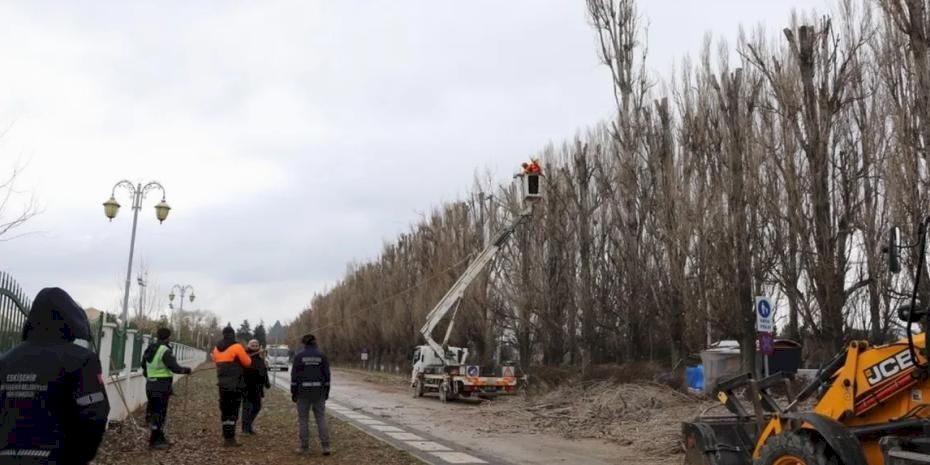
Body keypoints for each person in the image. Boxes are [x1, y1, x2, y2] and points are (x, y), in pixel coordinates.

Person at [0, 287, 110, 465]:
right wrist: (79, 457)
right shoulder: (81, 360)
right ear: (69, 321)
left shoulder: (5, 361)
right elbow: (94, 415)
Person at [141, 327, 193, 449]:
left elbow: (143, 365)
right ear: (168, 337)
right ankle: (155, 442)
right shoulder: (164, 350)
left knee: (155, 413)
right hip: (161, 386)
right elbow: (174, 367)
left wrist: (150, 376)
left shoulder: (149, 348)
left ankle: (160, 437)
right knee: (159, 414)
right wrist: (187, 370)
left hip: (150, 385)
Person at [291, 333, 331, 456]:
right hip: (319, 392)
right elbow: (327, 376)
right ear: (315, 342)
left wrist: (294, 392)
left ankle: (304, 447)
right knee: (321, 418)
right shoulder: (322, 356)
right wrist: (326, 392)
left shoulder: (299, 356)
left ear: (304, 343)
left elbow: (294, 377)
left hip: (303, 393)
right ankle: (326, 447)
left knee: (303, 419)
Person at [212, 326, 252, 447]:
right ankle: (230, 438)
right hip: (235, 384)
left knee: (225, 410)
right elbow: (248, 363)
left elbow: (217, 362)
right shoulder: (237, 347)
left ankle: (226, 435)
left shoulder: (216, 349)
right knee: (233, 411)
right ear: (233, 334)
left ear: (223, 334)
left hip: (222, 385)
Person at [241, 339, 270, 435]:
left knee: (257, 407)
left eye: (256, 345)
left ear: (259, 347)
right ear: (248, 346)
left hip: (257, 388)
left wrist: (267, 383)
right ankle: (245, 429)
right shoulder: (245, 357)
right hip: (246, 387)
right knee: (247, 408)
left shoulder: (260, 359)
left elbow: (264, 372)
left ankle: (248, 426)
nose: (254, 346)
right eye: (252, 345)